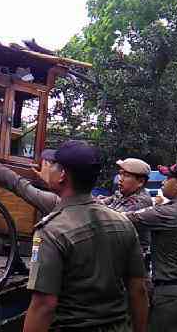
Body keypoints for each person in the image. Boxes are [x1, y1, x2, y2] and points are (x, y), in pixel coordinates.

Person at [21, 141, 148, 332]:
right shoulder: (123, 223)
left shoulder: (50, 231)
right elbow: (138, 290)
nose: (49, 170)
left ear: (62, 174)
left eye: (53, 166)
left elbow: (43, 306)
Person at [123, 162, 177, 332]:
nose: (162, 182)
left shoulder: (165, 213)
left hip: (171, 295)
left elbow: (120, 218)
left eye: (167, 178)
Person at [0, 139, 59, 216]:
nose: (44, 167)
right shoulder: (66, 200)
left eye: (50, 165)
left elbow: (18, 184)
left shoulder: (55, 202)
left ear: (62, 175)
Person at [100, 158, 153, 263]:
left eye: (126, 175)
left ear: (140, 182)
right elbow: (102, 202)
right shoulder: (122, 193)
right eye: (120, 174)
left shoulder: (141, 201)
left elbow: (112, 218)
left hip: (133, 259)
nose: (120, 179)